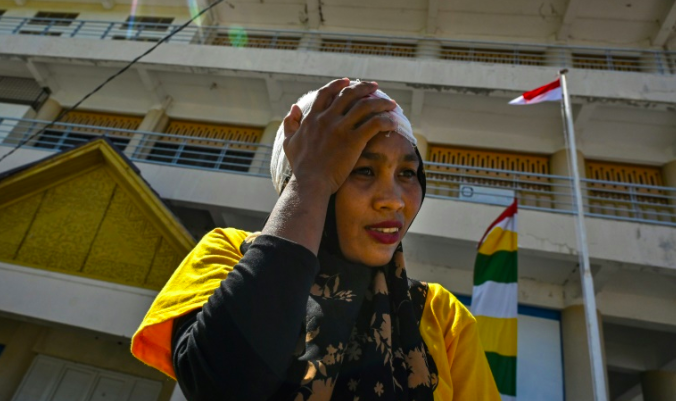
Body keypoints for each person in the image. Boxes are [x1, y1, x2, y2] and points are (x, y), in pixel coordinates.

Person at [131, 79, 501, 401]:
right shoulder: (227, 252)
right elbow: (222, 386)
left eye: (407, 172)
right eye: (363, 170)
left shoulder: (442, 315)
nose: (394, 199)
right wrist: (312, 180)